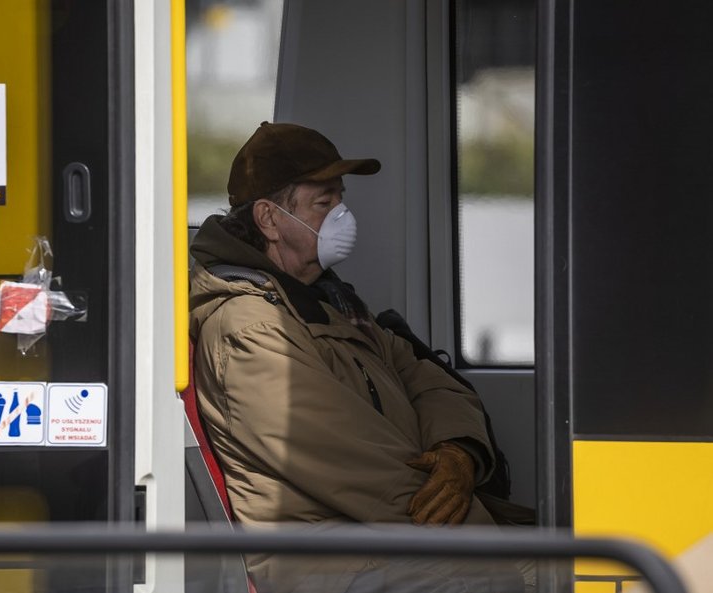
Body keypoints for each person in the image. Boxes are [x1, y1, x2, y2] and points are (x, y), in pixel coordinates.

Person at [189, 122, 526, 593]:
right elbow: (364, 472)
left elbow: (429, 378)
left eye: (340, 199)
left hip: (375, 538)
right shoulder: (251, 327)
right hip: (324, 555)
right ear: (268, 219)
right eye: (323, 203)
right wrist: (485, 536)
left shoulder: (330, 301)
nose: (342, 215)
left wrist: (456, 452)